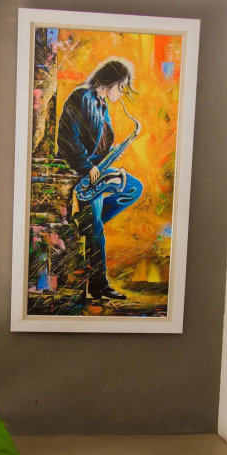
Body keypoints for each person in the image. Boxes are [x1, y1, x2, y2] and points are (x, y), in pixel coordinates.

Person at [57, 59, 143, 300]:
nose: (122, 93)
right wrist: (87, 166)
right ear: (111, 81)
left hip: (97, 169)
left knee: (133, 188)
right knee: (96, 229)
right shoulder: (81, 97)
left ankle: (87, 223)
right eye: (121, 87)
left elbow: (98, 144)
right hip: (84, 172)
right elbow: (67, 138)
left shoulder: (102, 106)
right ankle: (98, 285)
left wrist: (112, 154)